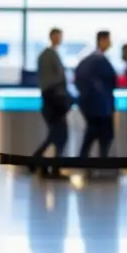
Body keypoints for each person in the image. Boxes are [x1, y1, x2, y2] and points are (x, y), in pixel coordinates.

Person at [31, 28, 71, 176]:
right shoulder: (50, 55)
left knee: (55, 135)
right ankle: (48, 165)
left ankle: (40, 163)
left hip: (50, 102)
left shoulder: (46, 55)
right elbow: (56, 80)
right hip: (54, 103)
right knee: (59, 135)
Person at [74, 31, 118, 161]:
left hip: (95, 106)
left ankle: (88, 161)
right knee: (101, 134)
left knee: (94, 133)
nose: (110, 43)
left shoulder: (90, 60)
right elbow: (109, 82)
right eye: (108, 40)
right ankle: (97, 162)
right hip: (99, 107)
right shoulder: (97, 61)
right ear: (102, 40)